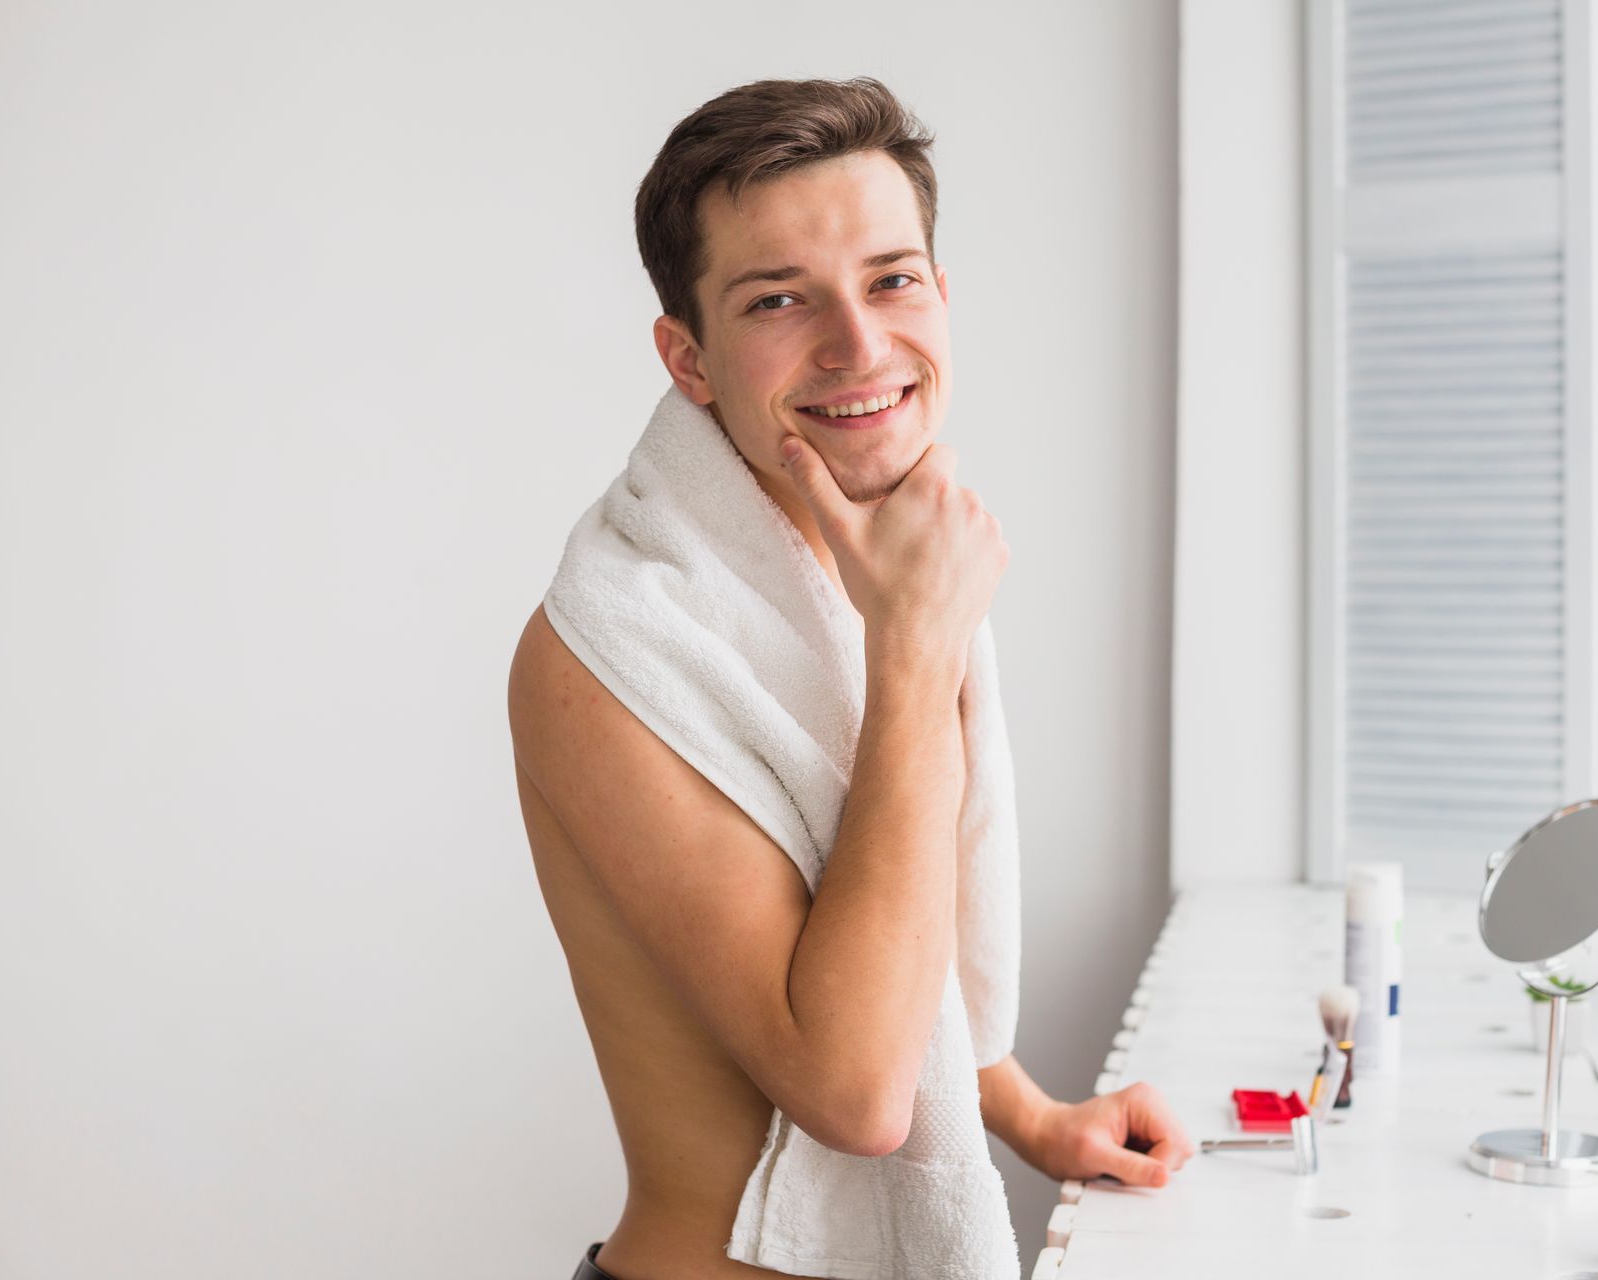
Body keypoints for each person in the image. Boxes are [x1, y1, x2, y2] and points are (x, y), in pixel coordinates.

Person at [506, 77, 1193, 1280]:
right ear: (691, 358)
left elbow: (893, 923)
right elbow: (858, 1087)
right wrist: (917, 649)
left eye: (892, 278)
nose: (862, 345)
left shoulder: (871, 565)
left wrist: (1030, 1115)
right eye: (779, 299)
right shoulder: (607, 646)